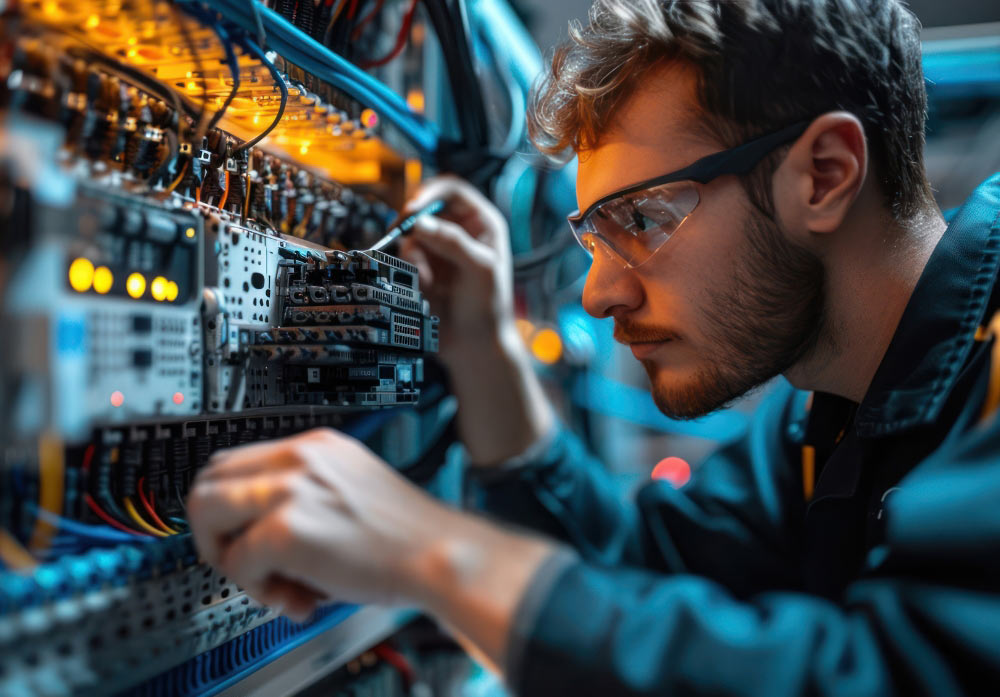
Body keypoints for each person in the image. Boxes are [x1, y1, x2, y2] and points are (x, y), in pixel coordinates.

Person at [187, 1, 1000, 694]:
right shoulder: (824, 421)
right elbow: (636, 573)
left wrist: (431, 550)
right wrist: (484, 350)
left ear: (823, 174)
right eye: (593, 237)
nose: (596, 292)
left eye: (640, 221)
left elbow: (901, 672)